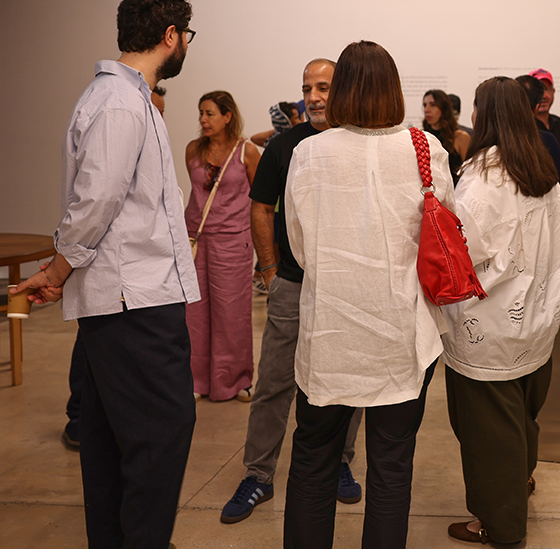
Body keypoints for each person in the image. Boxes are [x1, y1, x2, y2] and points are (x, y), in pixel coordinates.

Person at [12, 0, 200, 549]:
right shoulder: (120, 101)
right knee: (160, 434)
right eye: (187, 35)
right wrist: (58, 271)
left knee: (110, 439)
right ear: (170, 35)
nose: (187, 45)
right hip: (134, 301)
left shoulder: (124, 97)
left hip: (125, 299)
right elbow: (96, 201)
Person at [283, 41, 451, 549]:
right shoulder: (426, 149)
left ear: (341, 91)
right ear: (392, 89)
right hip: (402, 333)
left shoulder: (309, 152)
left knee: (313, 459)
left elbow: (300, 247)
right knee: (392, 467)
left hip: (330, 333)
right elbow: (443, 234)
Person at [220, 58, 364, 525]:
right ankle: (258, 474)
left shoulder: (360, 144)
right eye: (307, 88)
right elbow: (261, 207)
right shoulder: (284, 146)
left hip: (345, 289)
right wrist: (269, 271)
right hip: (292, 284)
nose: (314, 97)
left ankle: (340, 462)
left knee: (346, 381)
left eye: (323, 87)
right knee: (275, 383)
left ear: (343, 89)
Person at [441, 77, 560, 546]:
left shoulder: (482, 177)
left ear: (483, 115)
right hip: (537, 321)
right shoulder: (541, 171)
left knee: (488, 433)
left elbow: (463, 250)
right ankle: (520, 482)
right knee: (521, 418)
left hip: (489, 327)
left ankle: (500, 524)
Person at [64, 82, 169, 450]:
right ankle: (78, 416)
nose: (157, 118)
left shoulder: (146, 135)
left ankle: (90, 419)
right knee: (93, 353)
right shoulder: (118, 112)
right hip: (113, 280)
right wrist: (60, 268)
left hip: (139, 281)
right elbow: (97, 202)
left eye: (161, 113)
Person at [184, 91, 261, 402]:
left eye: (210, 113)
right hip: (195, 239)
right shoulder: (193, 149)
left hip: (233, 242)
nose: (203, 119)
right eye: (201, 113)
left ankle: (236, 379)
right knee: (194, 313)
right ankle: (197, 380)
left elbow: (260, 199)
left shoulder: (247, 152)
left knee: (232, 312)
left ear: (227, 116)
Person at [515, 75, 560, 190]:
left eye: (547, 89)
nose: (544, 96)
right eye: (540, 90)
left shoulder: (559, 124)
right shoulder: (544, 138)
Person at [423, 88, 471, 182]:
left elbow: (469, 172)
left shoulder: (460, 137)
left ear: (444, 108)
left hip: (456, 189)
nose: (426, 110)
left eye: (433, 105)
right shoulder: (422, 137)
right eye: (425, 105)